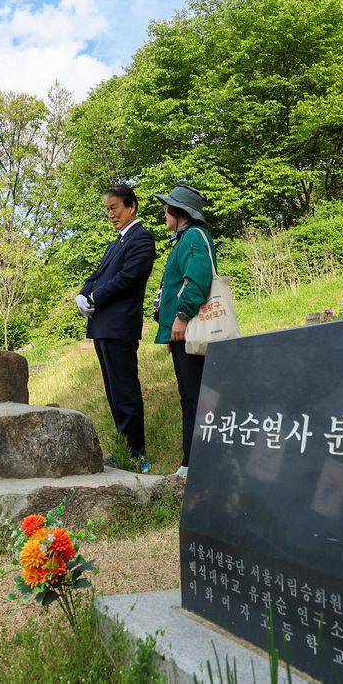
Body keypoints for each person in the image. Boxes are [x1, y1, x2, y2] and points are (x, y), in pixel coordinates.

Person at [77, 184, 156, 472]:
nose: (111, 214)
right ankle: (125, 449)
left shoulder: (142, 238)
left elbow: (128, 278)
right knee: (114, 392)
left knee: (125, 391)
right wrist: (82, 294)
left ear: (131, 206)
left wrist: (94, 297)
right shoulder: (116, 243)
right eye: (108, 209)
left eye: (115, 208)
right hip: (103, 327)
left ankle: (137, 455)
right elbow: (96, 275)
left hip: (120, 325)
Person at [151, 184, 215, 480]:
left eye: (167, 209)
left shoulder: (192, 237)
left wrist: (181, 317)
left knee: (194, 398)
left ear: (178, 212)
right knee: (192, 396)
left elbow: (197, 280)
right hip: (183, 333)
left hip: (189, 327)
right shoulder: (184, 239)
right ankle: (196, 462)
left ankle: (193, 466)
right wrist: (171, 332)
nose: (164, 214)